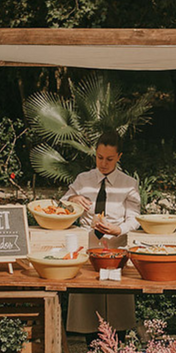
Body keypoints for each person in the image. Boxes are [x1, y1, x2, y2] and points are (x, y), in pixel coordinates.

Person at [62, 130, 140, 341]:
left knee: (117, 309)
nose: (103, 163)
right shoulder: (83, 179)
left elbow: (135, 219)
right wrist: (73, 199)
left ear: (119, 157)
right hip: (88, 248)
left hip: (116, 249)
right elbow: (61, 205)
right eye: (99, 157)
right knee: (89, 309)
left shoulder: (129, 184)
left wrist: (119, 229)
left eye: (109, 159)